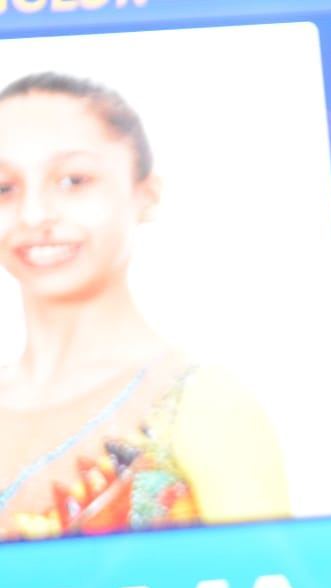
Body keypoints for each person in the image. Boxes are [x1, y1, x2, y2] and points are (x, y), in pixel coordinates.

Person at [0, 72, 290, 541]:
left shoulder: (203, 403)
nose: (35, 215)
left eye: (73, 180)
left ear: (146, 193)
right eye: (4, 189)